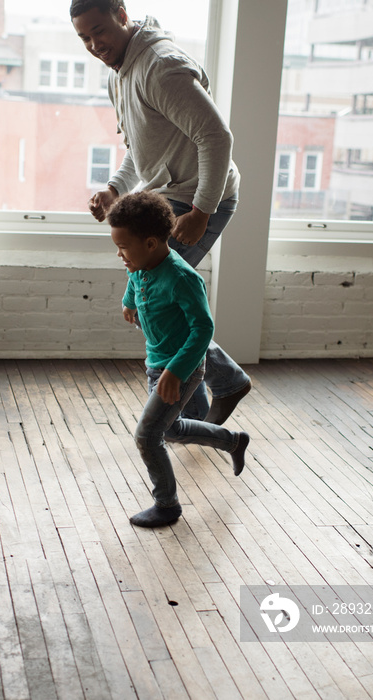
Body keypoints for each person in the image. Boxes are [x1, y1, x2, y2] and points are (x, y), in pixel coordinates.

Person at [70, 0, 251, 425]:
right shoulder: (121, 73)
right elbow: (146, 151)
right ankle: (205, 406)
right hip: (172, 193)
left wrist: (202, 212)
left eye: (100, 30)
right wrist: (115, 189)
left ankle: (214, 393)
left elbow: (217, 138)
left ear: (122, 13)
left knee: (164, 300)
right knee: (159, 299)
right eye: (84, 38)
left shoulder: (161, 67)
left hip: (201, 197)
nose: (95, 45)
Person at [107, 191, 249, 527]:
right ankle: (233, 441)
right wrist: (128, 300)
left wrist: (175, 371)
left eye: (124, 247)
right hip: (157, 364)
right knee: (171, 430)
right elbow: (134, 278)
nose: (120, 254)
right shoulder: (142, 263)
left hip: (181, 368)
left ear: (152, 243)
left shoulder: (182, 278)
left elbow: (203, 329)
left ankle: (167, 505)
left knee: (147, 435)